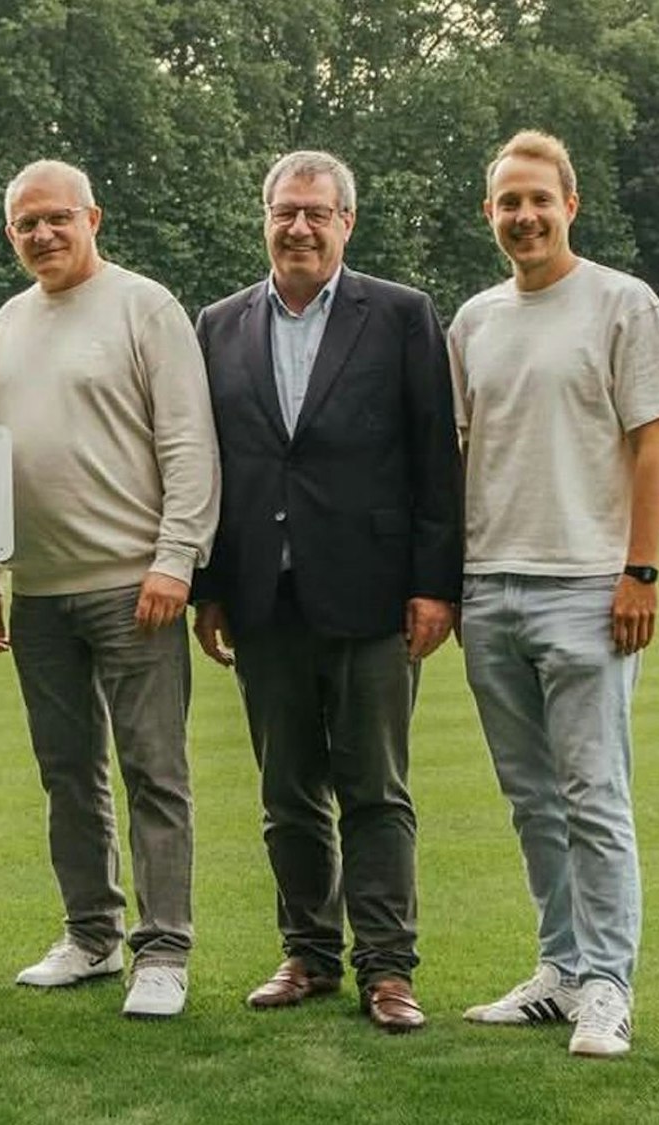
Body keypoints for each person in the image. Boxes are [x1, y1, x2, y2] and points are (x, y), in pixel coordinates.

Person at [193, 151, 462, 1033]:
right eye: (285, 211)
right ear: (263, 218)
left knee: (376, 790)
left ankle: (388, 968)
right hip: (265, 597)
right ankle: (308, 953)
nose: (299, 227)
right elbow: (213, 468)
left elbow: (434, 457)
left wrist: (433, 585)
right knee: (287, 792)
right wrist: (213, 587)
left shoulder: (401, 315)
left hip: (374, 592)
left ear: (348, 221)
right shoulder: (220, 323)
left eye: (317, 212)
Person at [451, 131, 659, 1058]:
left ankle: (608, 984)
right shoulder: (473, 321)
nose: (523, 216)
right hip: (490, 588)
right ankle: (559, 969)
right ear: (491, 213)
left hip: (589, 587)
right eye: (508, 202)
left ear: (570, 205)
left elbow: (655, 441)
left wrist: (640, 571)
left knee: (594, 796)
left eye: (538, 200)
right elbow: (460, 454)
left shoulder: (621, 303)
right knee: (532, 799)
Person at [0, 160, 220, 1019]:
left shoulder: (144, 306)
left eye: (56, 219)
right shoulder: (4, 322)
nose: (42, 234)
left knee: (154, 770)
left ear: (92, 218)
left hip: (134, 584)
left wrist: (175, 559)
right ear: (11, 234)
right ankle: (90, 935)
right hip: (37, 590)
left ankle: (164, 948)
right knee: (67, 774)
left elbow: (189, 443)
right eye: (25, 224)